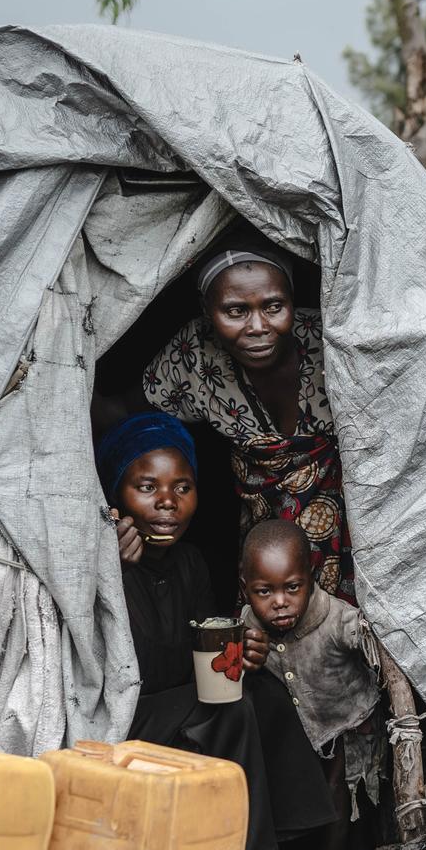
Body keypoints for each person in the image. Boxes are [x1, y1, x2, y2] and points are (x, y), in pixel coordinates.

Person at [97, 412, 337, 850]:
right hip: (125, 717)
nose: (167, 502)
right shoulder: (100, 559)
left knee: (261, 688)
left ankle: (292, 844)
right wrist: (103, 561)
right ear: (116, 495)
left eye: (182, 487)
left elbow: (205, 646)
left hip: (179, 702)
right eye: (147, 486)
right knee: (228, 705)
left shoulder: (191, 563)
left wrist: (244, 653)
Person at [144, 247, 354, 600]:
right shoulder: (194, 354)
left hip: (356, 534)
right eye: (235, 311)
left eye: (274, 307)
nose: (258, 327)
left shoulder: (335, 342)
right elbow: (131, 416)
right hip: (265, 550)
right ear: (208, 312)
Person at [235, 519, 386, 830]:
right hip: (301, 731)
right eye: (264, 591)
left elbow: (375, 645)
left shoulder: (337, 619)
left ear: (310, 577)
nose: (279, 602)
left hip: (348, 722)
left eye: (292, 587)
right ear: (244, 588)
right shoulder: (247, 625)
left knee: (342, 789)